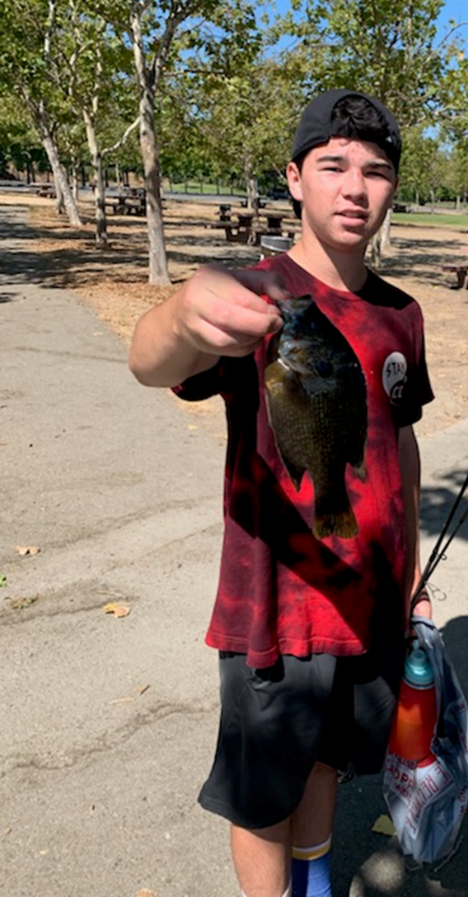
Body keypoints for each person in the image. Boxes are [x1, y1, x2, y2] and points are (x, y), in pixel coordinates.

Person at [128, 89, 434, 897]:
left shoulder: (402, 313)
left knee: (328, 760)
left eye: (375, 171)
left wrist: (411, 571)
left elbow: (399, 439)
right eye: (332, 166)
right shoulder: (252, 297)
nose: (354, 188)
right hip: (277, 602)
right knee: (264, 791)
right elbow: (151, 361)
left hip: (370, 590)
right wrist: (183, 319)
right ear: (294, 178)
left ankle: (319, 881)